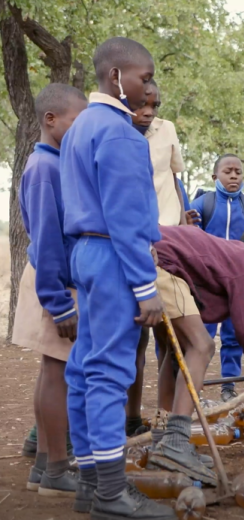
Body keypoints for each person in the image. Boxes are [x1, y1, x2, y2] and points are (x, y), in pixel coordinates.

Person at [59, 37, 176, 519]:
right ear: (116, 78)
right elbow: (127, 219)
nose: (150, 86)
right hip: (113, 256)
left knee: (84, 369)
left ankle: (91, 483)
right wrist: (146, 288)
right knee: (110, 373)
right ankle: (111, 495)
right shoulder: (122, 134)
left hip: (86, 254)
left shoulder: (80, 126)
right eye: (145, 77)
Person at [12, 84, 87, 497]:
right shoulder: (45, 170)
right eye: (76, 122)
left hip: (51, 279)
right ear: (50, 120)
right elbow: (45, 240)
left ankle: (44, 463)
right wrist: (59, 305)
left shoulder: (55, 163)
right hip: (53, 282)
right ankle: (58, 468)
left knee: (52, 371)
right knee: (59, 374)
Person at [152, 225, 244, 419]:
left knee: (175, 351)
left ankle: (162, 430)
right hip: (161, 262)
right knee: (201, 346)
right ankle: (176, 440)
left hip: (145, 251)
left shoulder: (224, 255)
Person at [126, 78, 196, 438]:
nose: (149, 112)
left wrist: (185, 217)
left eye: (155, 106)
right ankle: (132, 418)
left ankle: (166, 420)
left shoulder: (165, 130)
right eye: (142, 105)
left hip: (169, 242)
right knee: (135, 337)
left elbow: (173, 177)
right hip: (135, 241)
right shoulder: (118, 133)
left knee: (172, 339)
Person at [190, 154, 244, 402]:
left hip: (236, 283)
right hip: (207, 284)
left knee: (233, 336)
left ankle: (228, 387)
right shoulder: (202, 204)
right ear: (215, 177)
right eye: (228, 171)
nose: (234, 176)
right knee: (202, 336)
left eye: (238, 172)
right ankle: (194, 386)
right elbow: (189, 237)